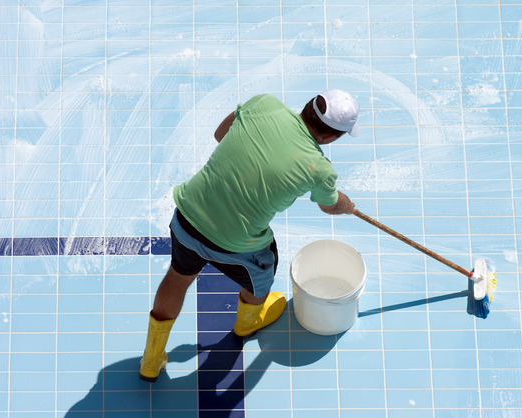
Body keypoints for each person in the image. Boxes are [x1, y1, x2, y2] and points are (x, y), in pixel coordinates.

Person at [139, 89, 360, 382]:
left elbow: (221, 134)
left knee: (178, 276)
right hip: (235, 244)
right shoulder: (319, 169)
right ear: (331, 138)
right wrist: (346, 205)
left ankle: (151, 359)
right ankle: (247, 322)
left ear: (309, 105)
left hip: (188, 216)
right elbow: (329, 204)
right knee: (264, 271)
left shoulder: (264, 103)